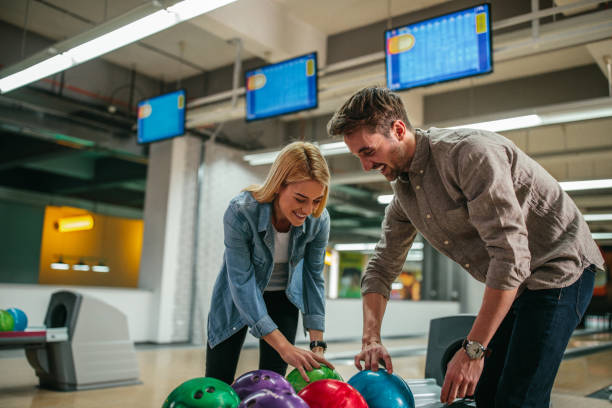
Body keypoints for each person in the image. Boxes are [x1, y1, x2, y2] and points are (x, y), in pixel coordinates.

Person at [327, 87, 604, 407]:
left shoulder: (469, 155)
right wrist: (371, 338)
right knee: (485, 395)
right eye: (358, 155)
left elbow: (510, 255)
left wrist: (473, 350)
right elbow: (380, 267)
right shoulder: (405, 195)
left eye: (368, 151)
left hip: (559, 265)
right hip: (518, 282)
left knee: (518, 397)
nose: (365, 166)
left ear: (398, 130)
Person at [206, 141, 334, 385]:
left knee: (274, 383)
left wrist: (317, 344)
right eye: (300, 199)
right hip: (236, 299)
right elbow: (241, 282)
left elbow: (313, 277)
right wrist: (284, 347)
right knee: (218, 380)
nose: (308, 209)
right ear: (278, 186)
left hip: (283, 299)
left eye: (317, 200)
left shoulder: (319, 220)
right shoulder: (241, 212)